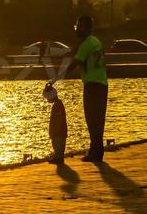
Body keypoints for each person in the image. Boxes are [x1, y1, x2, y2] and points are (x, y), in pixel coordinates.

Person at [66, 15, 108, 162]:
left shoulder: (87, 44)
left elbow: (75, 63)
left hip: (92, 85)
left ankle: (95, 153)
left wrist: (57, 77)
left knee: (91, 119)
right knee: (98, 119)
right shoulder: (95, 41)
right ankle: (97, 151)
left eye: (79, 25)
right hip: (101, 84)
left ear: (85, 27)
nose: (77, 28)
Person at [44, 81, 68, 164]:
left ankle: (58, 158)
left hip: (58, 132)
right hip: (59, 131)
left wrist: (56, 131)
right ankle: (58, 157)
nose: (47, 100)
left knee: (58, 146)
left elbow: (58, 120)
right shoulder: (58, 104)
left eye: (47, 98)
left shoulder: (57, 105)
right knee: (57, 146)